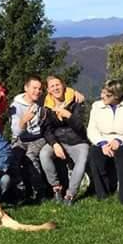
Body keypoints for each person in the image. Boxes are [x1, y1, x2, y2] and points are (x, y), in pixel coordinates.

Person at [87, 80, 123, 206]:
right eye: (102, 93)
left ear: (116, 96)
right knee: (94, 154)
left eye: (107, 95)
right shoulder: (97, 106)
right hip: (103, 141)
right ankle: (102, 194)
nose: (102, 97)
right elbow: (92, 129)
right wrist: (101, 143)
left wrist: (120, 140)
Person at [38, 76, 89, 206]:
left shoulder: (76, 101)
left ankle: (70, 195)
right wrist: (55, 144)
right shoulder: (46, 105)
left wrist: (68, 115)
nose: (56, 88)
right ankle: (56, 188)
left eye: (58, 85)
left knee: (82, 160)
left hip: (77, 140)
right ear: (48, 90)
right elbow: (46, 129)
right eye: (52, 86)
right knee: (44, 154)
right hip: (58, 140)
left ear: (64, 85)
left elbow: (80, 127)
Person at [10, 75, 49, 201]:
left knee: (30, 157)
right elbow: (15, 130)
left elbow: (62, 90)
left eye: (40, 89)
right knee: (13, 159)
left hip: (38, 137)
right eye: (34, 88)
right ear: (26, 88)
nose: (37, 91)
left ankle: (40, 192)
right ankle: (20, 192)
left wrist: (75, 93)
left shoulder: (43, 102)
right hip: (21, 138)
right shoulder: (16, 106)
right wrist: (24, 120)